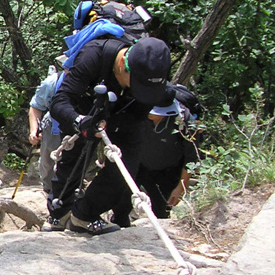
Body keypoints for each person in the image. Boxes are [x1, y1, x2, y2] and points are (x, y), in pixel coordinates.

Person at [45, 36, 172, 235]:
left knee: (126, 166)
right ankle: (58, 212)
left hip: (125, 116)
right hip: (82, 111)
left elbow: (142, 112)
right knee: (72, 161)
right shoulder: (93, 56)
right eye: (137, 84)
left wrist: (111, 124)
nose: (138, 90)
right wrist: (80, 121)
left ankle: (85, 214)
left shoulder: (152, 73)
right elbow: (59, 102)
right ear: (122, 65)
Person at [133, 95, 202, 219]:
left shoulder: (184, 122)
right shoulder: (139, 111)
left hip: (168, 172)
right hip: (140, 164)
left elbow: (191, 158)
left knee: (161, 210)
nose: (150, 114)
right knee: (123, 200)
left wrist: (181, 187)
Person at [28, 65, 62, 195]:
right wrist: (34, 130)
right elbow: (36, 106)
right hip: (53, 126)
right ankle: (49, 191)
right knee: (48, 165)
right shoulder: (52, 82)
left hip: (79, 131)